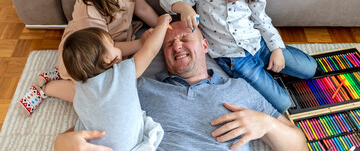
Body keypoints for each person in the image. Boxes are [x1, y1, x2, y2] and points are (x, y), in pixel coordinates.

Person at [54, 21, 308, 151]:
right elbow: (92, 113)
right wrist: (61, 144)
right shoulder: (141, 87)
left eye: (185, 39)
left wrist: (266, 123)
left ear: (205, 46)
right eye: (168, 44)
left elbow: (299, 145)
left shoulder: (240, 89)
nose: (176, 45)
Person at [18, 0, 159, 116]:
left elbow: (142, 9)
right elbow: (104, 49)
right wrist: (140, 44)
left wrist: (161, 26)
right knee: (95, 94)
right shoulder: (89, 10)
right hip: (91, 51)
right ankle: (47, 88)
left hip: (113, 48)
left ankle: (59, 74)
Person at [159, 0, 317, 113]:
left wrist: (277, 49)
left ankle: (272, 68)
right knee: (284, 104)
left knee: (310, 69)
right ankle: (268, 75)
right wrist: (184, 7)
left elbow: (262, 21)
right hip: (236, 60)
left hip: (258, 45)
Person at [61, 14, 171, 150]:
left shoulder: (80, 89)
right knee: (150, 128)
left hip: (93, 146)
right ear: (106, 58)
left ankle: (44, 87)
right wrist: (162, 24)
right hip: (134, 147)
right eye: (113, 45)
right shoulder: (122, 73)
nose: (118, 48)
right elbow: (150, 50)